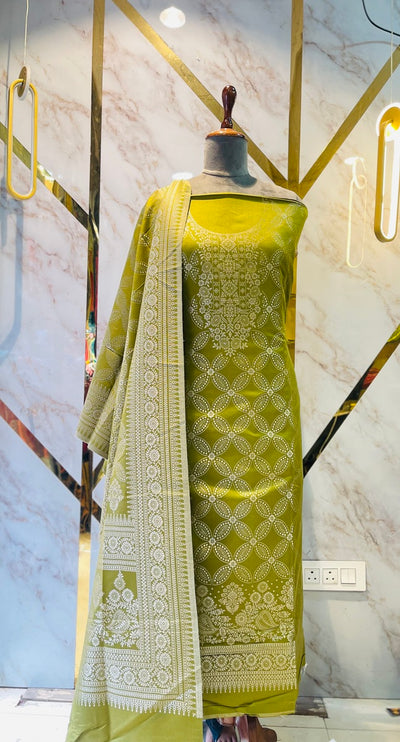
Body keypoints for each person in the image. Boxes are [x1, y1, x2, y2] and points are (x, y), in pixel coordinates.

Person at [66, 89, 307, 742]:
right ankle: (188, 711)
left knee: (250, 573)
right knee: (186, 576)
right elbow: (130, 311)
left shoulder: (289, 211)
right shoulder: (164, 209)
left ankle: (243, 712)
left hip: (263, 430)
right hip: (178, 429)